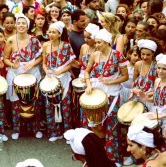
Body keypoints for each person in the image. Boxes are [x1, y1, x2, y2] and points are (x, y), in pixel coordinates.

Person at [84, 28, 129, 165]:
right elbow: (87, 72)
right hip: (97, 92)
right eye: (96, 42)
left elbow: (125, 76)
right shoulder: (94, 55)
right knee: (95, 126)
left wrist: (110, 81)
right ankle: (96, 158)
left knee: (111, 127)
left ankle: (114, 159)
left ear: (107, 42)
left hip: (113, 93)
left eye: (99, 42)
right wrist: (88, 84)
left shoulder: (117, 55)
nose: (96, 44)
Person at [4, 13, 43, 140]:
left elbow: (41, 57)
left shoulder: (34, 40)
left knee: (33, 102)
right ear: (16, 25)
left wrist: (32, 63)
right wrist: (13, 65)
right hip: (15, 73)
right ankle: (17, 129)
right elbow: (5, 58)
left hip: (32, 72)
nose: (21, 25)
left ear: (28, 26)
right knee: (16, 103)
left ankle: (35, 128)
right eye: (19, 23)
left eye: (23, 23)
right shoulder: (10, 40)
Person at [42, 21, 75, 142]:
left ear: (59, 34)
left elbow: (71, 64)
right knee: (50, 105)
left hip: (63, 78)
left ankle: (68, 134)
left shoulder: (66, 45)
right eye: (49, 31)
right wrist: (47, 72)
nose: (50, 34)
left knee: (65, 106)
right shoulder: (46, 45)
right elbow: (44, 63)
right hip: (50, 78)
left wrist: (60, 72)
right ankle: (53, 132)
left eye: (53, 32)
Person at [130, 39, 160, 111]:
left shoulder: (157, 67)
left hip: (150, 99)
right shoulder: (138, 64)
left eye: (148, 55)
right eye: (143, 54)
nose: (145, 57)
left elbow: (159, 88)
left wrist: (146, 95)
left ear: (153, 54)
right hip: (137, 97)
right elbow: (134, 81)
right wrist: (132, 91)